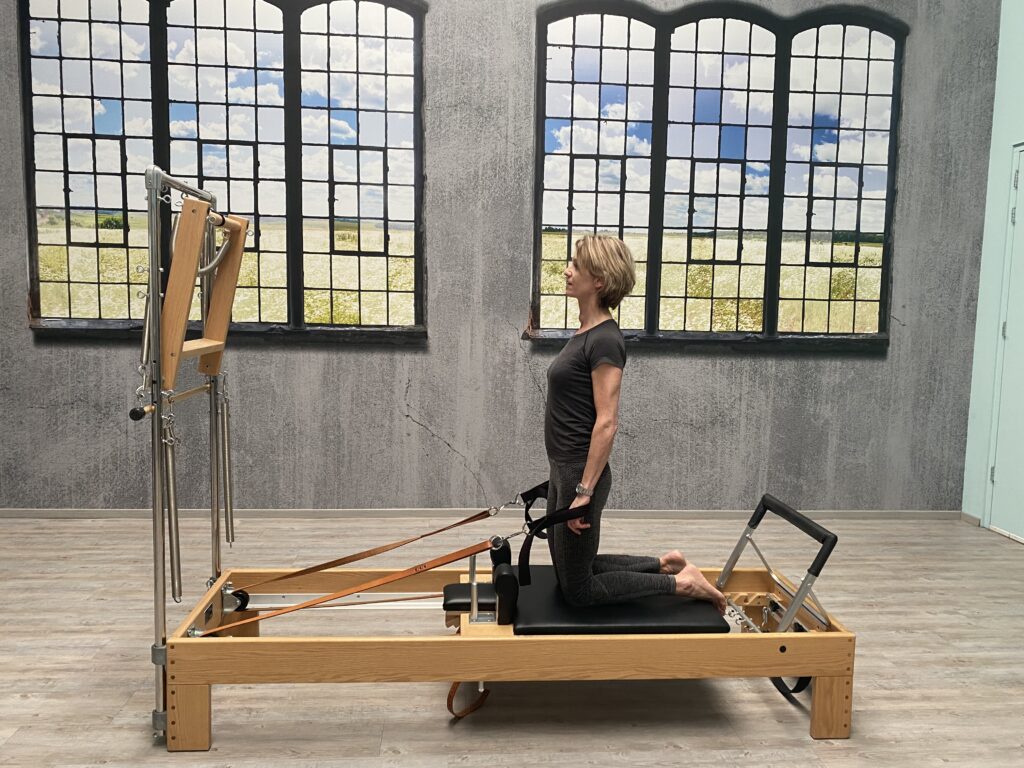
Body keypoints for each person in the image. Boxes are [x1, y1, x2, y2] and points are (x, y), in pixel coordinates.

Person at [544, 234, 726, 614]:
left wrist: (584, 491)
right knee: (568, 571)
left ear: (599, 281)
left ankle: (681, 583)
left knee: (579, 591)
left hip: (581, 472)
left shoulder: (605, 340)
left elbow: (607, 422)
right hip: (563, 468)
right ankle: (666, 563)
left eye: (576, 265)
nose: (567, 271)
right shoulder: (584, 333)